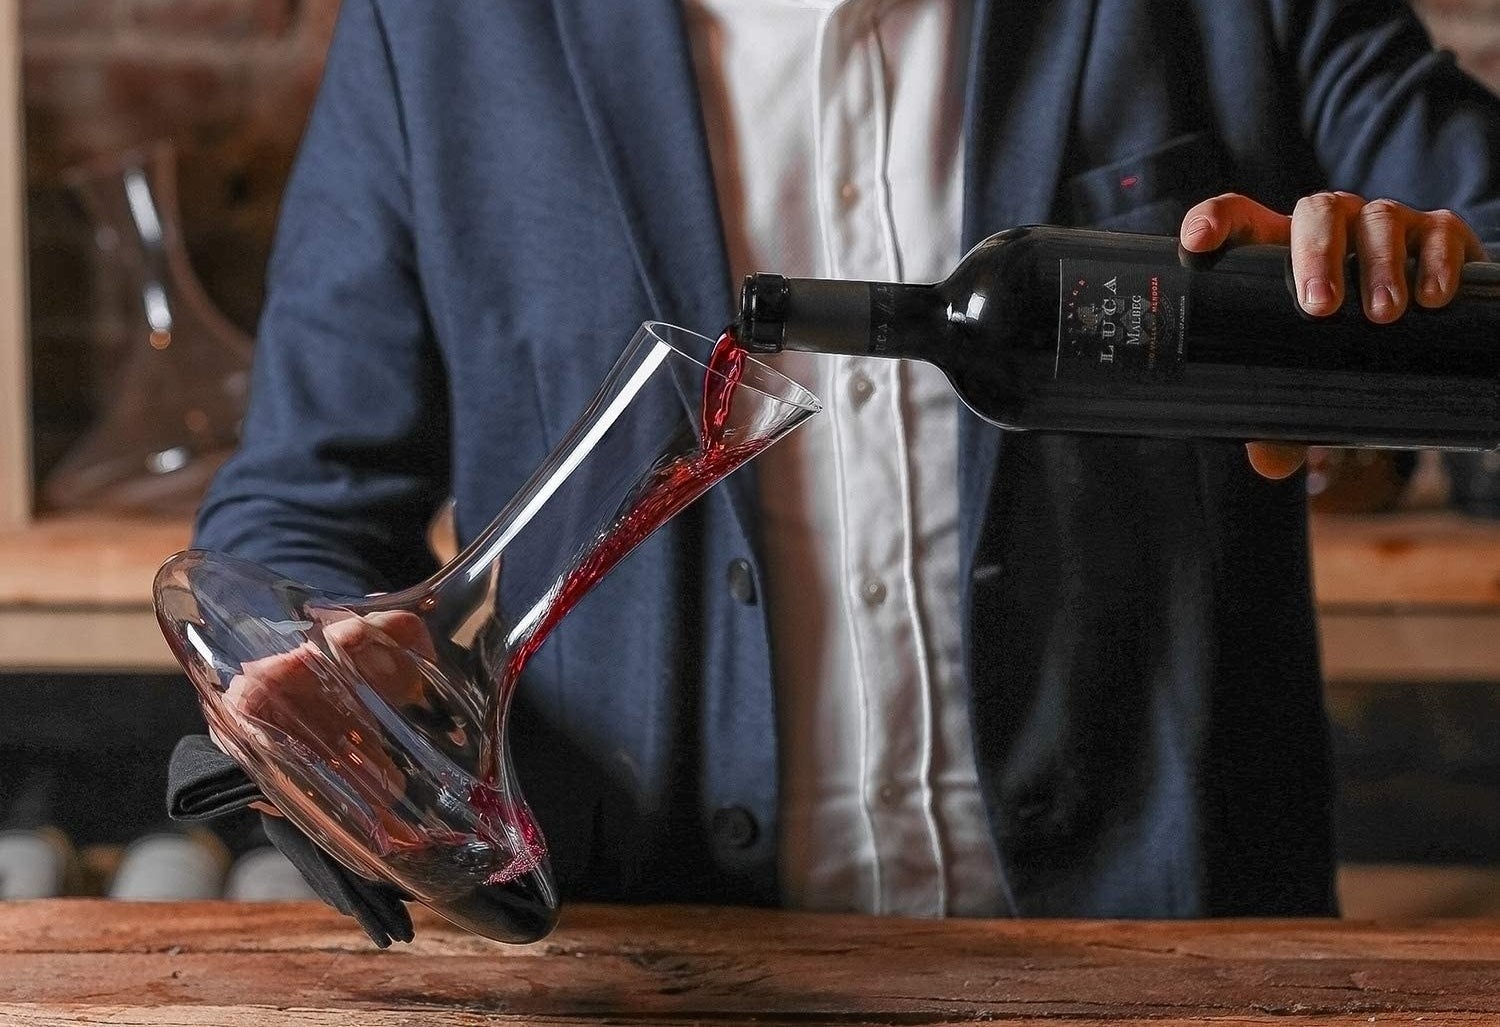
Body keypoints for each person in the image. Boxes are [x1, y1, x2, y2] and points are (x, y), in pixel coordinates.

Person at [171, 0, 1500, 940]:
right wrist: (329, 680)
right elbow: (305, 500)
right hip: (667, 970)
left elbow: (1479, 251)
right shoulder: (447, 26)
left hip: (1171, 956)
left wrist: (1408, 281)